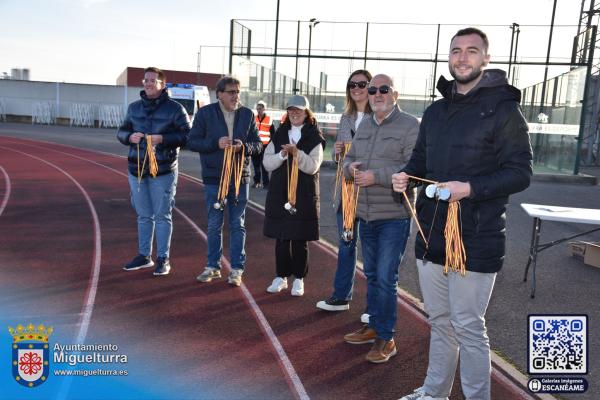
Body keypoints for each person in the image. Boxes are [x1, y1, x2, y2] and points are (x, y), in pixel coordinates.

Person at [393, 27, 532, 400]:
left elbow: (521, 172)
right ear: (449, 56)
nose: (462, 57)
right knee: (440, 323)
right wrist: (406, 176)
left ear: (486, 59)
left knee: (469, 327)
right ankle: (435, 393)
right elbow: (420, 160)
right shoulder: (436, 111)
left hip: (476, 236)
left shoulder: (504, 109)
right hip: (430, 232)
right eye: (456, 50)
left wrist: (469, 188)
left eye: (472, 51)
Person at [341, 74, 419, 364]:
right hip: (366, 214)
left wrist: (377, 177)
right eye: (372, 90)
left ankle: (387, 337)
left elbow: (414, 168)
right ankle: (374, 326)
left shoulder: (410, 125)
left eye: (382, 90)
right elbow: (350, 159)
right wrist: (351, 170)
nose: (375, 94)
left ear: (395, 94)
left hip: (394, 216)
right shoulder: (364, 125)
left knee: (386, 277)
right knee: (372, 275)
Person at [187, 76, 262, 287]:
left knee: (237, 224)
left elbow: (258, 145)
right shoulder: (205, 113)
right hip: (214, 177)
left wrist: (243, 147)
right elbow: (192, 142)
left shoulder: (248, 115)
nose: (235, 96)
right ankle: (213, 266)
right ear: (219, 93)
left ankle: (237, 269)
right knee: (214, 224)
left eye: (237, 92)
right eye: (231, 92)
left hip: (240, 177)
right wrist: (215, 143)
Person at [117, 67, 191, 276]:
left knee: (162, 215)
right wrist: (129, 137)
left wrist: (163, 139)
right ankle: (144, 256)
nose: (148, 83)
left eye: (152, 81)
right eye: (145, 80)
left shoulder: (176, 109)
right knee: (143, 215)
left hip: (164, 170)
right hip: (137, 169)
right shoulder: (134, 108)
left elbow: (188, 136)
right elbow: (121, 131)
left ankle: (163, 258)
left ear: (162, 84)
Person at [316, 69, 372, 321]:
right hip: (346, 191)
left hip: (371, 192)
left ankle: (373, 307)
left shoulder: (379, 117)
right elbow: (339, 159)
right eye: (352, 84)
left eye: (362, 84)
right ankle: (341, 296)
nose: (357, 88)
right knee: (346, 244)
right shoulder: (346, 117)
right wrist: (337, 151)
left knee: (372, 252)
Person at [263, 95, 325, 297]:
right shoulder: (280, 133)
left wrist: (297, 153)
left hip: (303, 194)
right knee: (281, 237)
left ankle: (299, 279)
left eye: (298, 110)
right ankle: (281, 276)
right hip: (280, 192)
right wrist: (282, 155)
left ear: (306, 113)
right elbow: (267, 163)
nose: (294, 113)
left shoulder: (315, 136)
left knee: (299, 238)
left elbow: (313, 166)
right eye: (291, 110)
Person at [251, 100, 274, 188]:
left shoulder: (269, 119)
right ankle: (257, 182)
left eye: (260, 109)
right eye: (257, 109)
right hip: (255, 145)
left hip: (265, 146)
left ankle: (266, 183)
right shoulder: (253, 118)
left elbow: (273, 133)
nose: (258, 110)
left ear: (264, 109)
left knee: (264, 165)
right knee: (256, 165)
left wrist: (271, 145)